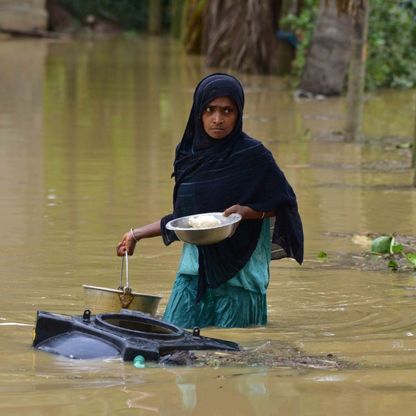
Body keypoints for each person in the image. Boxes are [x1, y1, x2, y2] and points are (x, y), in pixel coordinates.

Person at [116, 73, 303, 328]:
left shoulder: (253, 156)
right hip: (193, 273)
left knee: (234, 354)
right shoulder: (188, 156)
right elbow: (185, 217)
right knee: (174, 337)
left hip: (240, 279)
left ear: (238, 115)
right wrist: (135, 235)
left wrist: (246, 212)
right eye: (210, 110)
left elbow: (284, 203)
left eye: (227, 111)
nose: (218, 119)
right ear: (198, 112)